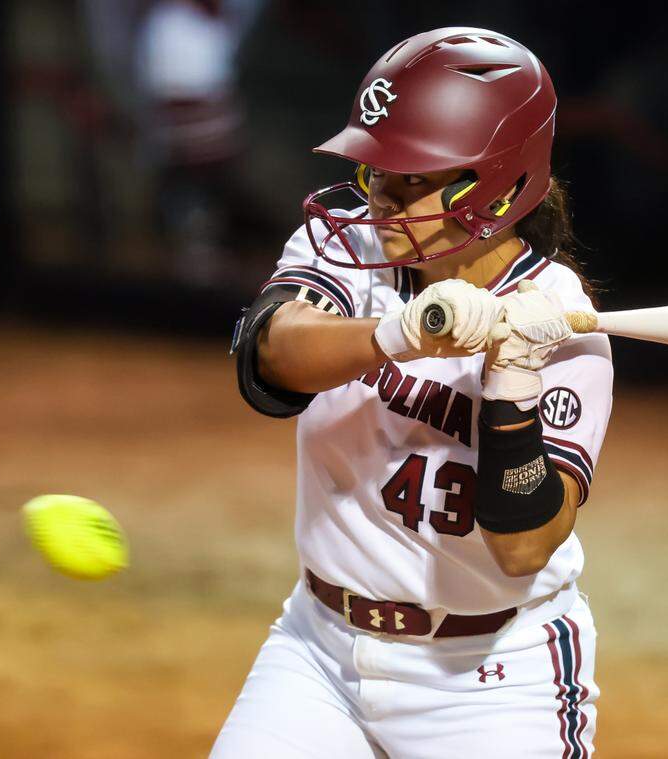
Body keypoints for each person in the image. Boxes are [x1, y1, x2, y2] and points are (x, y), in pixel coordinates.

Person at [214, 27, 613, 758]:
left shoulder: (563, 324)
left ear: (494, 186)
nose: (382, 200)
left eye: (413, 180)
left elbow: (525, 545)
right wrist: (404, 332)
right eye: (378, 173)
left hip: (490, 677)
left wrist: (513, 380)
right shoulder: (350, 246)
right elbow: (271, 357)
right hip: (317, 652)